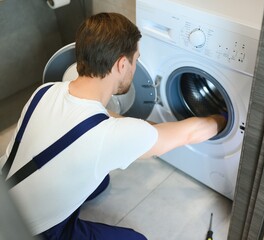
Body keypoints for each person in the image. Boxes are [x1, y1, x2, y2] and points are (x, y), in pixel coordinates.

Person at [0, 12, 226, 240]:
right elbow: (193, 132)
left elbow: (105, 118)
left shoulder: (46, 91)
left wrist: (151, 132)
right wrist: (224, 118)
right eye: (136, 59)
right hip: (27, 232)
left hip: (6, 196)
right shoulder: (108, 136)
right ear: (121, 64)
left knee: (100, 181)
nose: (135, 66)